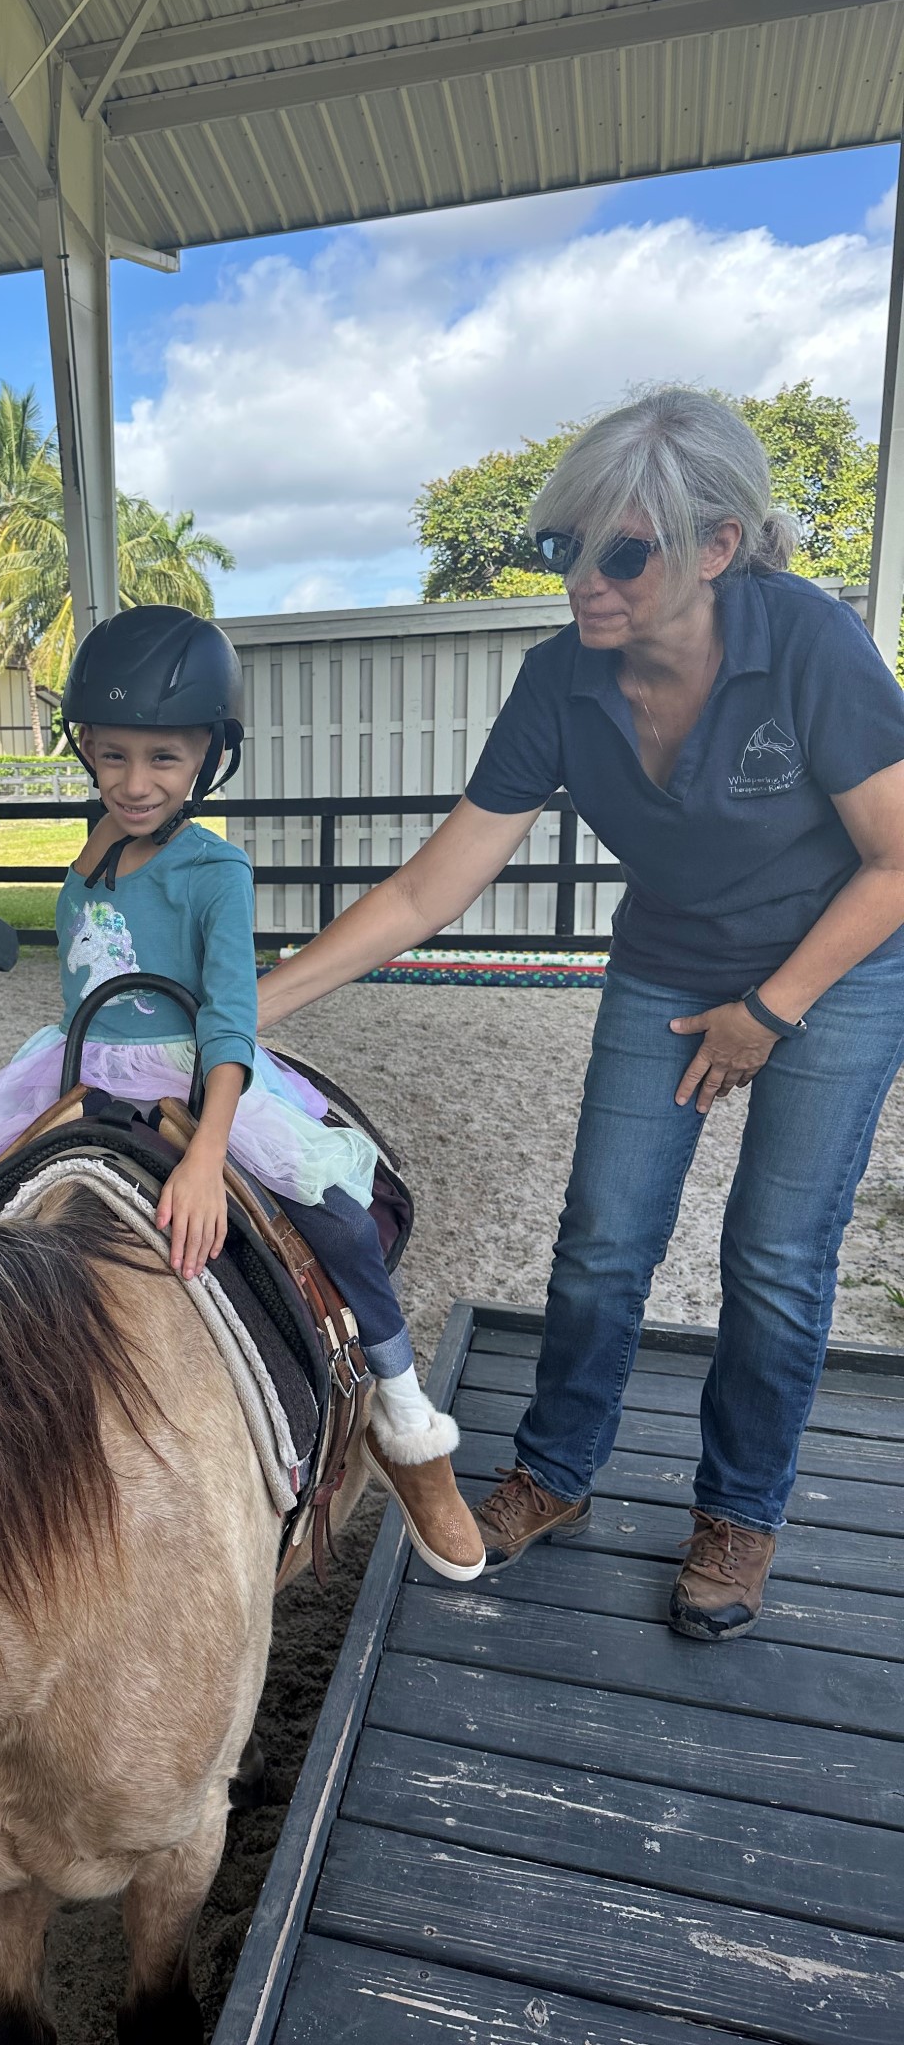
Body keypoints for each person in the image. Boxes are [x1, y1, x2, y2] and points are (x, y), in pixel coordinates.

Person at [257, 387, 904, 1642]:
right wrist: (249, 1004)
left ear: (717, 546)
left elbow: (896, 860)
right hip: (671, 958)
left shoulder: (809, 642)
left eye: (622, 554)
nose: (582, 582)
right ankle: (555, 1468)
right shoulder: (560, 680)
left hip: (840, 962)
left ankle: (740, 1510)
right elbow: (428, 888)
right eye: (565, 547)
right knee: (605, 1235)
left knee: (776, 1255)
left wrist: (768, 1011)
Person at [0, 604, 484, 1580]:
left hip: (188, 1071)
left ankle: (403, 1417)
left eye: (164, 758)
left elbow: (228, 1020)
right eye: (113, 754)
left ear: (209, 757)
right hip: (81, 1068)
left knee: (339, 1221)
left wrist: (209, 1151)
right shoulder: (92, 850)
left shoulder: (216, 869)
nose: (134, 782)